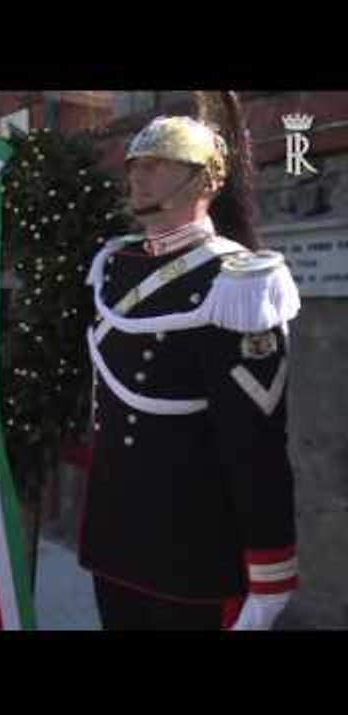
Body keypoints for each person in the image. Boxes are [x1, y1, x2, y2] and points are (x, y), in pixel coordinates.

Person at [79, 95, 301, 630]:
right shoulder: (113, 267)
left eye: (157, 164)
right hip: (114, 536)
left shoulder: (237, 283)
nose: (138, 175)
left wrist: (270, 568)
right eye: (136, 163)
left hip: (189, 548)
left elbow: (255, 443)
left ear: (205, 181)